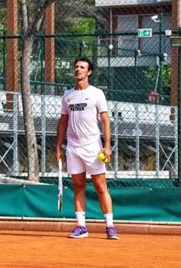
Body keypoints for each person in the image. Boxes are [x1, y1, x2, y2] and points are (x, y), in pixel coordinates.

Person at [55, 57, 119, 240]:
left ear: (89, 72)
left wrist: (107, 146)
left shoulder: (97, 93)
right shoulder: (68, 95)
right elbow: (63, 121)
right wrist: (58, 146)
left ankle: (110, 227)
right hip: (73, 147)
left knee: (100, 186)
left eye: (82, 67)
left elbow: (105, 120)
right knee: (78, 186)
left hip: (92, 147)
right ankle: (81, 227)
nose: (78, 70)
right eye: (76, 67)